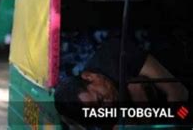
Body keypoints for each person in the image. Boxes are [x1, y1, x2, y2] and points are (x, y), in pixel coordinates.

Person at [54, 38, 189, 123]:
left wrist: (178, 121)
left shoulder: (116, 55)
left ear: (89, 76)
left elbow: (178, 91)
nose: (107, 108)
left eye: (100, 99)